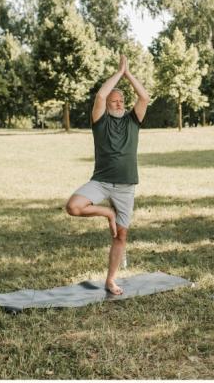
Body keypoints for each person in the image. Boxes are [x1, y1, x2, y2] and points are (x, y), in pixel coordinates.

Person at [65, 54, 150, 295]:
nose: (119, 103)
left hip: (125, 187)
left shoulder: (133, 121)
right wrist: (118, 72)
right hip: (101, 182)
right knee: (73, 207)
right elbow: (101, 95)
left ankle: (111, 280)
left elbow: (144, 97)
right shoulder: (100, 122)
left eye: (122, 100)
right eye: (115, 101)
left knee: (121, 236)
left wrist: (128, 74)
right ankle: (107, 213)